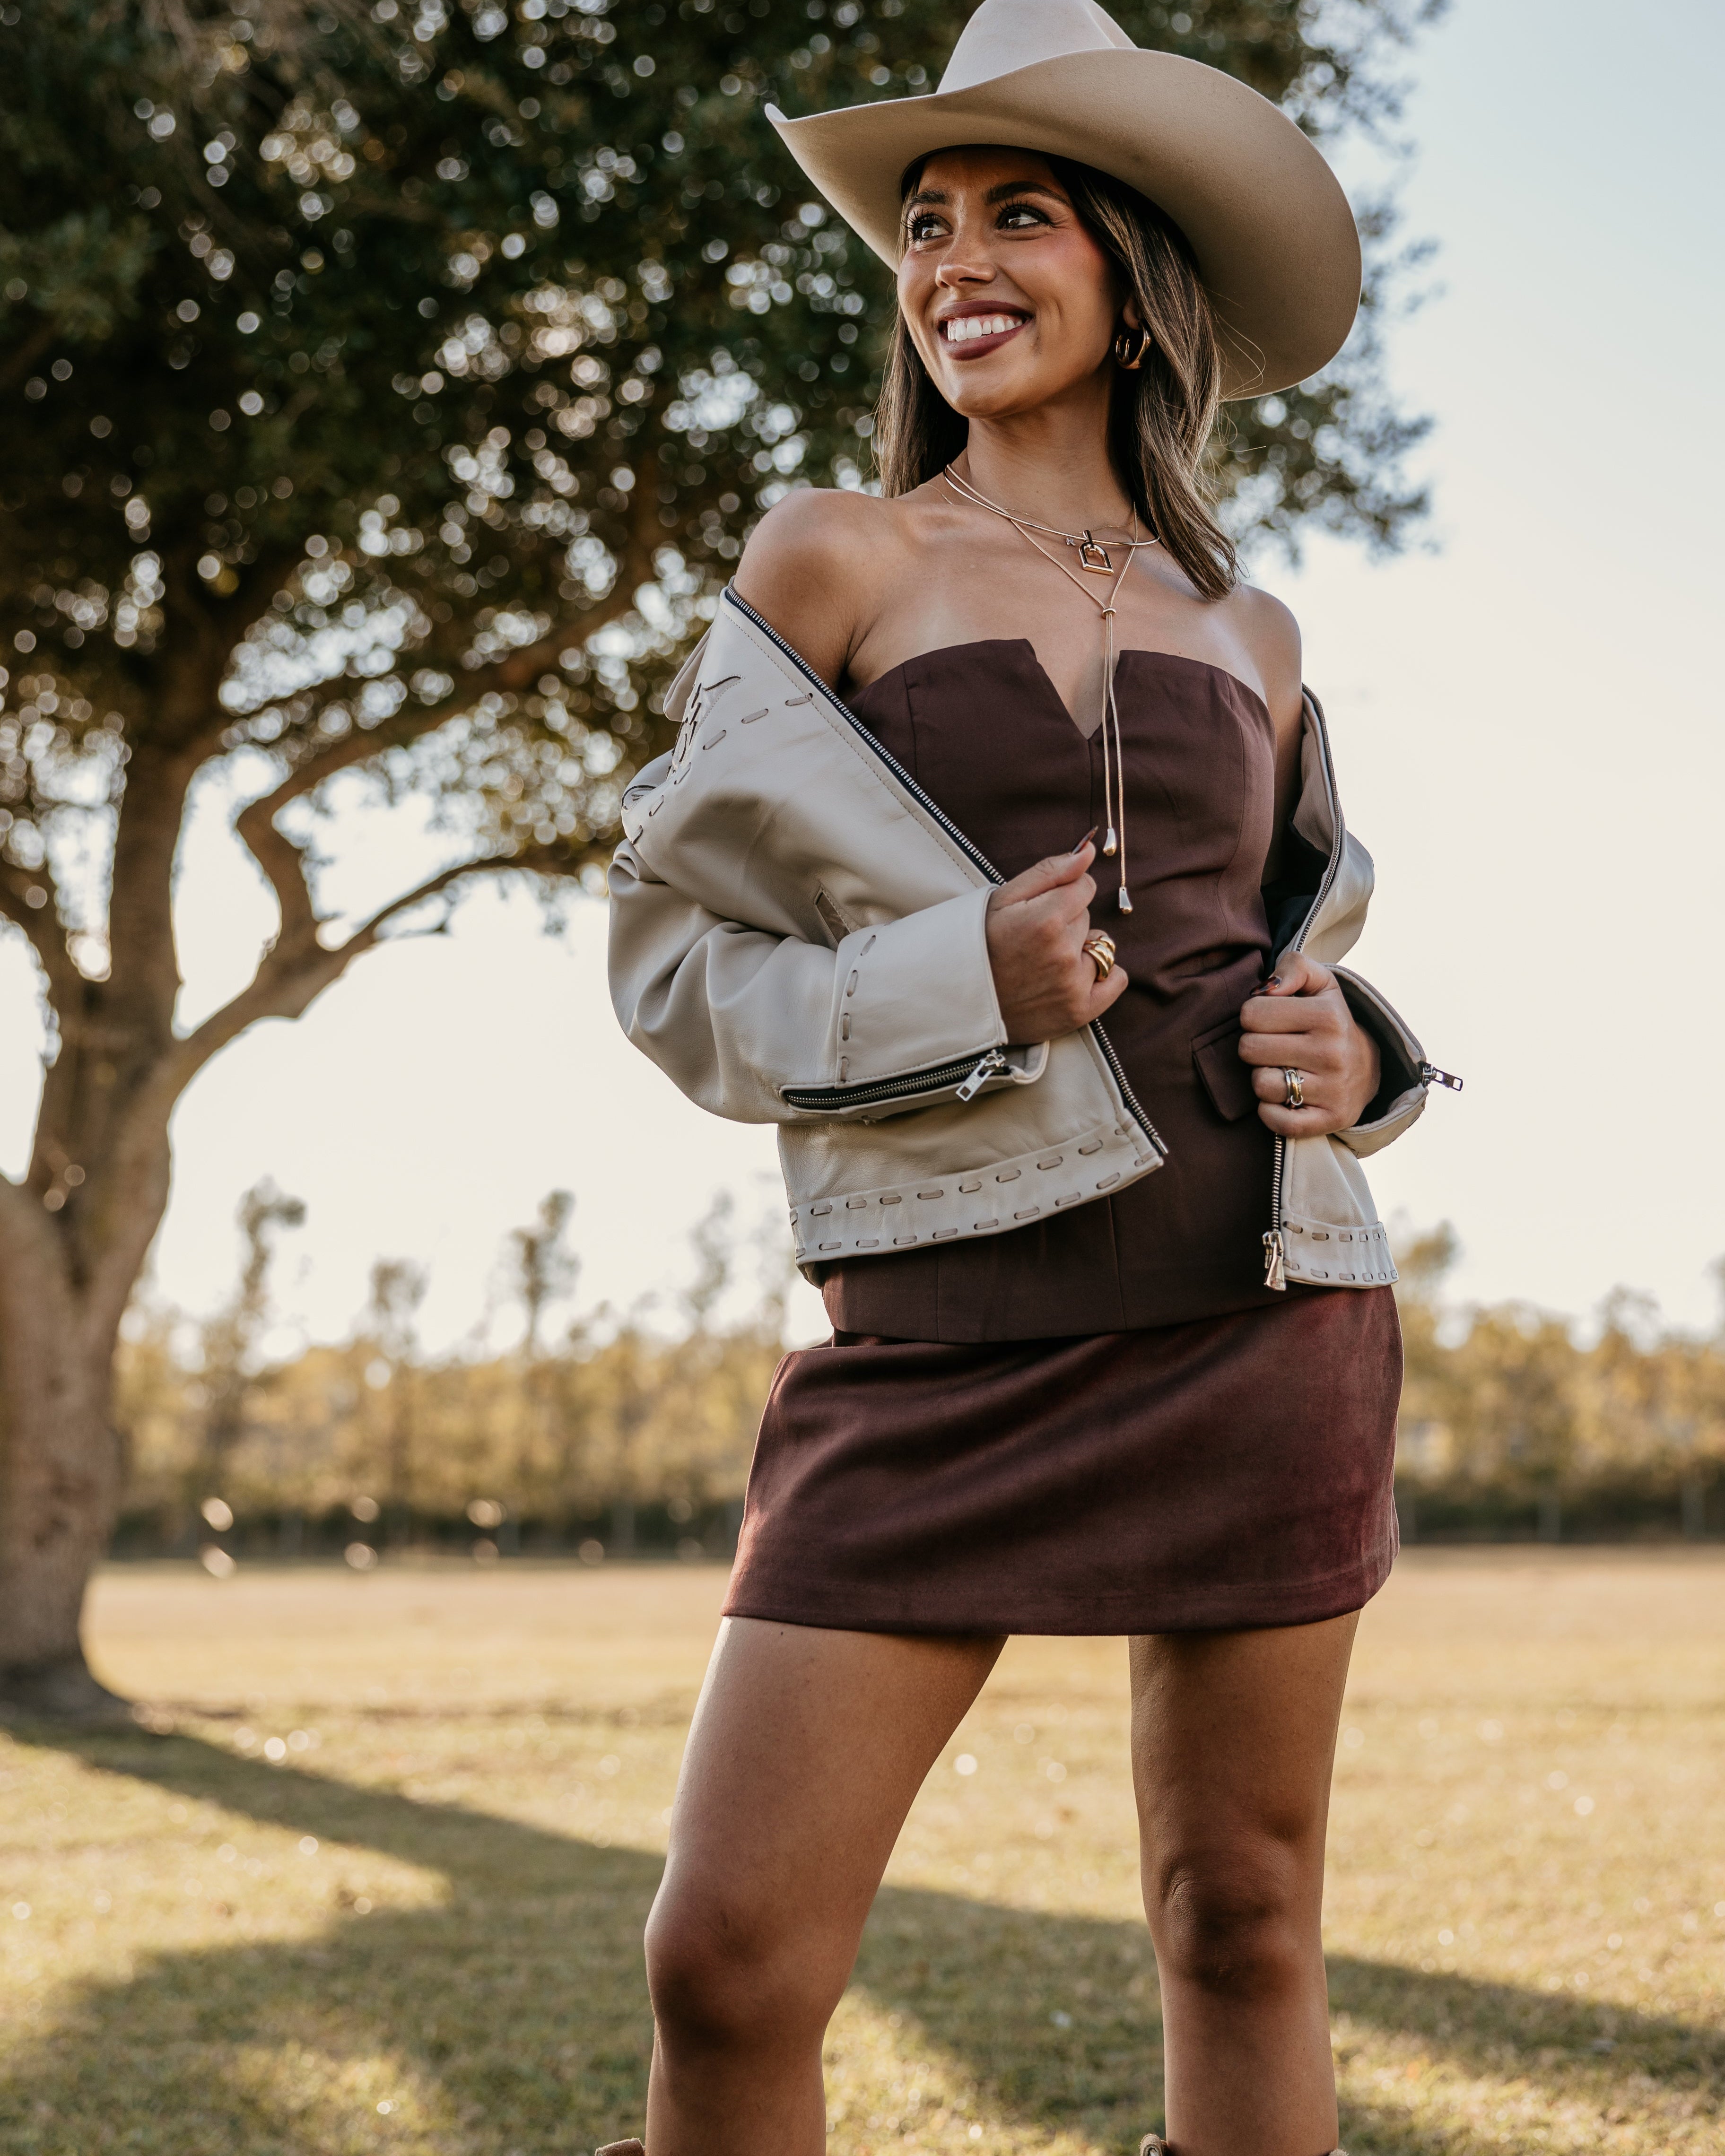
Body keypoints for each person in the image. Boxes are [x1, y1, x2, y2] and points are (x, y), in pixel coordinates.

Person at [604, 4, 1452, 2150]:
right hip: (940, 1342)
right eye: (926, 224)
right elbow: (675, 963)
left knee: (1243, 1919)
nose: (956, 259)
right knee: (723, 1966)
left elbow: (1295, 960)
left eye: (1020, 214)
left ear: (1136, 269)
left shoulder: (1254, 631)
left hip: (1259, 1322)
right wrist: (950, 970)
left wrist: (1366, 1050)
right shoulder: (832, 560)